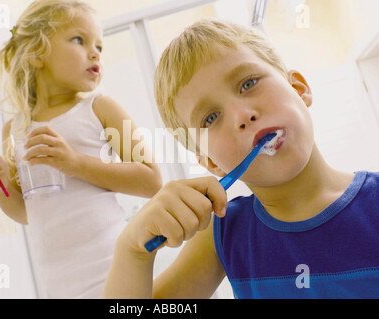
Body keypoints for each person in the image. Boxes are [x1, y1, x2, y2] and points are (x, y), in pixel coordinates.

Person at [103, 18, 379, 299]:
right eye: (211, 118)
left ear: (298, 88)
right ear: (211, 163)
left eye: (248, 83)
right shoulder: (221, 234)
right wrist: (132, 250)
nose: (241, 116)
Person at [0, 0, 162, 298]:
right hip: (58, 284)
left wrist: (76, 163)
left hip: (115, 268)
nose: (95, 51)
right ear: (36, 54)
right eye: (78, 40)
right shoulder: (14, 131)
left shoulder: (102, 107)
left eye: (99, 45)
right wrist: (1, 185)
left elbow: (151, 181)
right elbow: (27, 210)